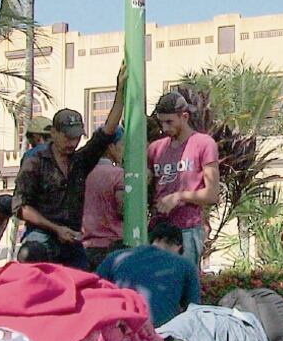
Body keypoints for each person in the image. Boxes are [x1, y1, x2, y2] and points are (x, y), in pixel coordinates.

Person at [13, 62, 126, 269]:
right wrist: (56, 229)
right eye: (67, 137)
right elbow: (21, 208)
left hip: (72, 239)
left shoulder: (80, 160)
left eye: (76, 138)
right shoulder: (35, 161)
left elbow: (108, 130)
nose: (72, 143)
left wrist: (119, 92)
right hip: (42, 234)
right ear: (53, 133)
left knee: (88, 282)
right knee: (30, 254)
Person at [148, 91, 220, 269]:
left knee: (184, 287)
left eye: (169, 122)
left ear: (184, 117)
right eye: (161, 122)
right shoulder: (155, 148)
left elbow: (212, 194)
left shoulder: (203, 144)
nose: (165, 128)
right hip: (158, 230)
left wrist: (179, 197)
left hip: (187, 230)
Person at [97, 222, 201, 328]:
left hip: (118, 329)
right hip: (160, 334)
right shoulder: (185, 265)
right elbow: (193, 310)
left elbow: (96, 292)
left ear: (151, 240)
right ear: (178, 246)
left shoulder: (115, 257)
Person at [82, 126, 125, 270]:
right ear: (111, 147)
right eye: (122, 144)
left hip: (85, 247)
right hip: (112, 246)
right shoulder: (118, 174)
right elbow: (123, 208)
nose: (124, 149)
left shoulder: (82, 174)